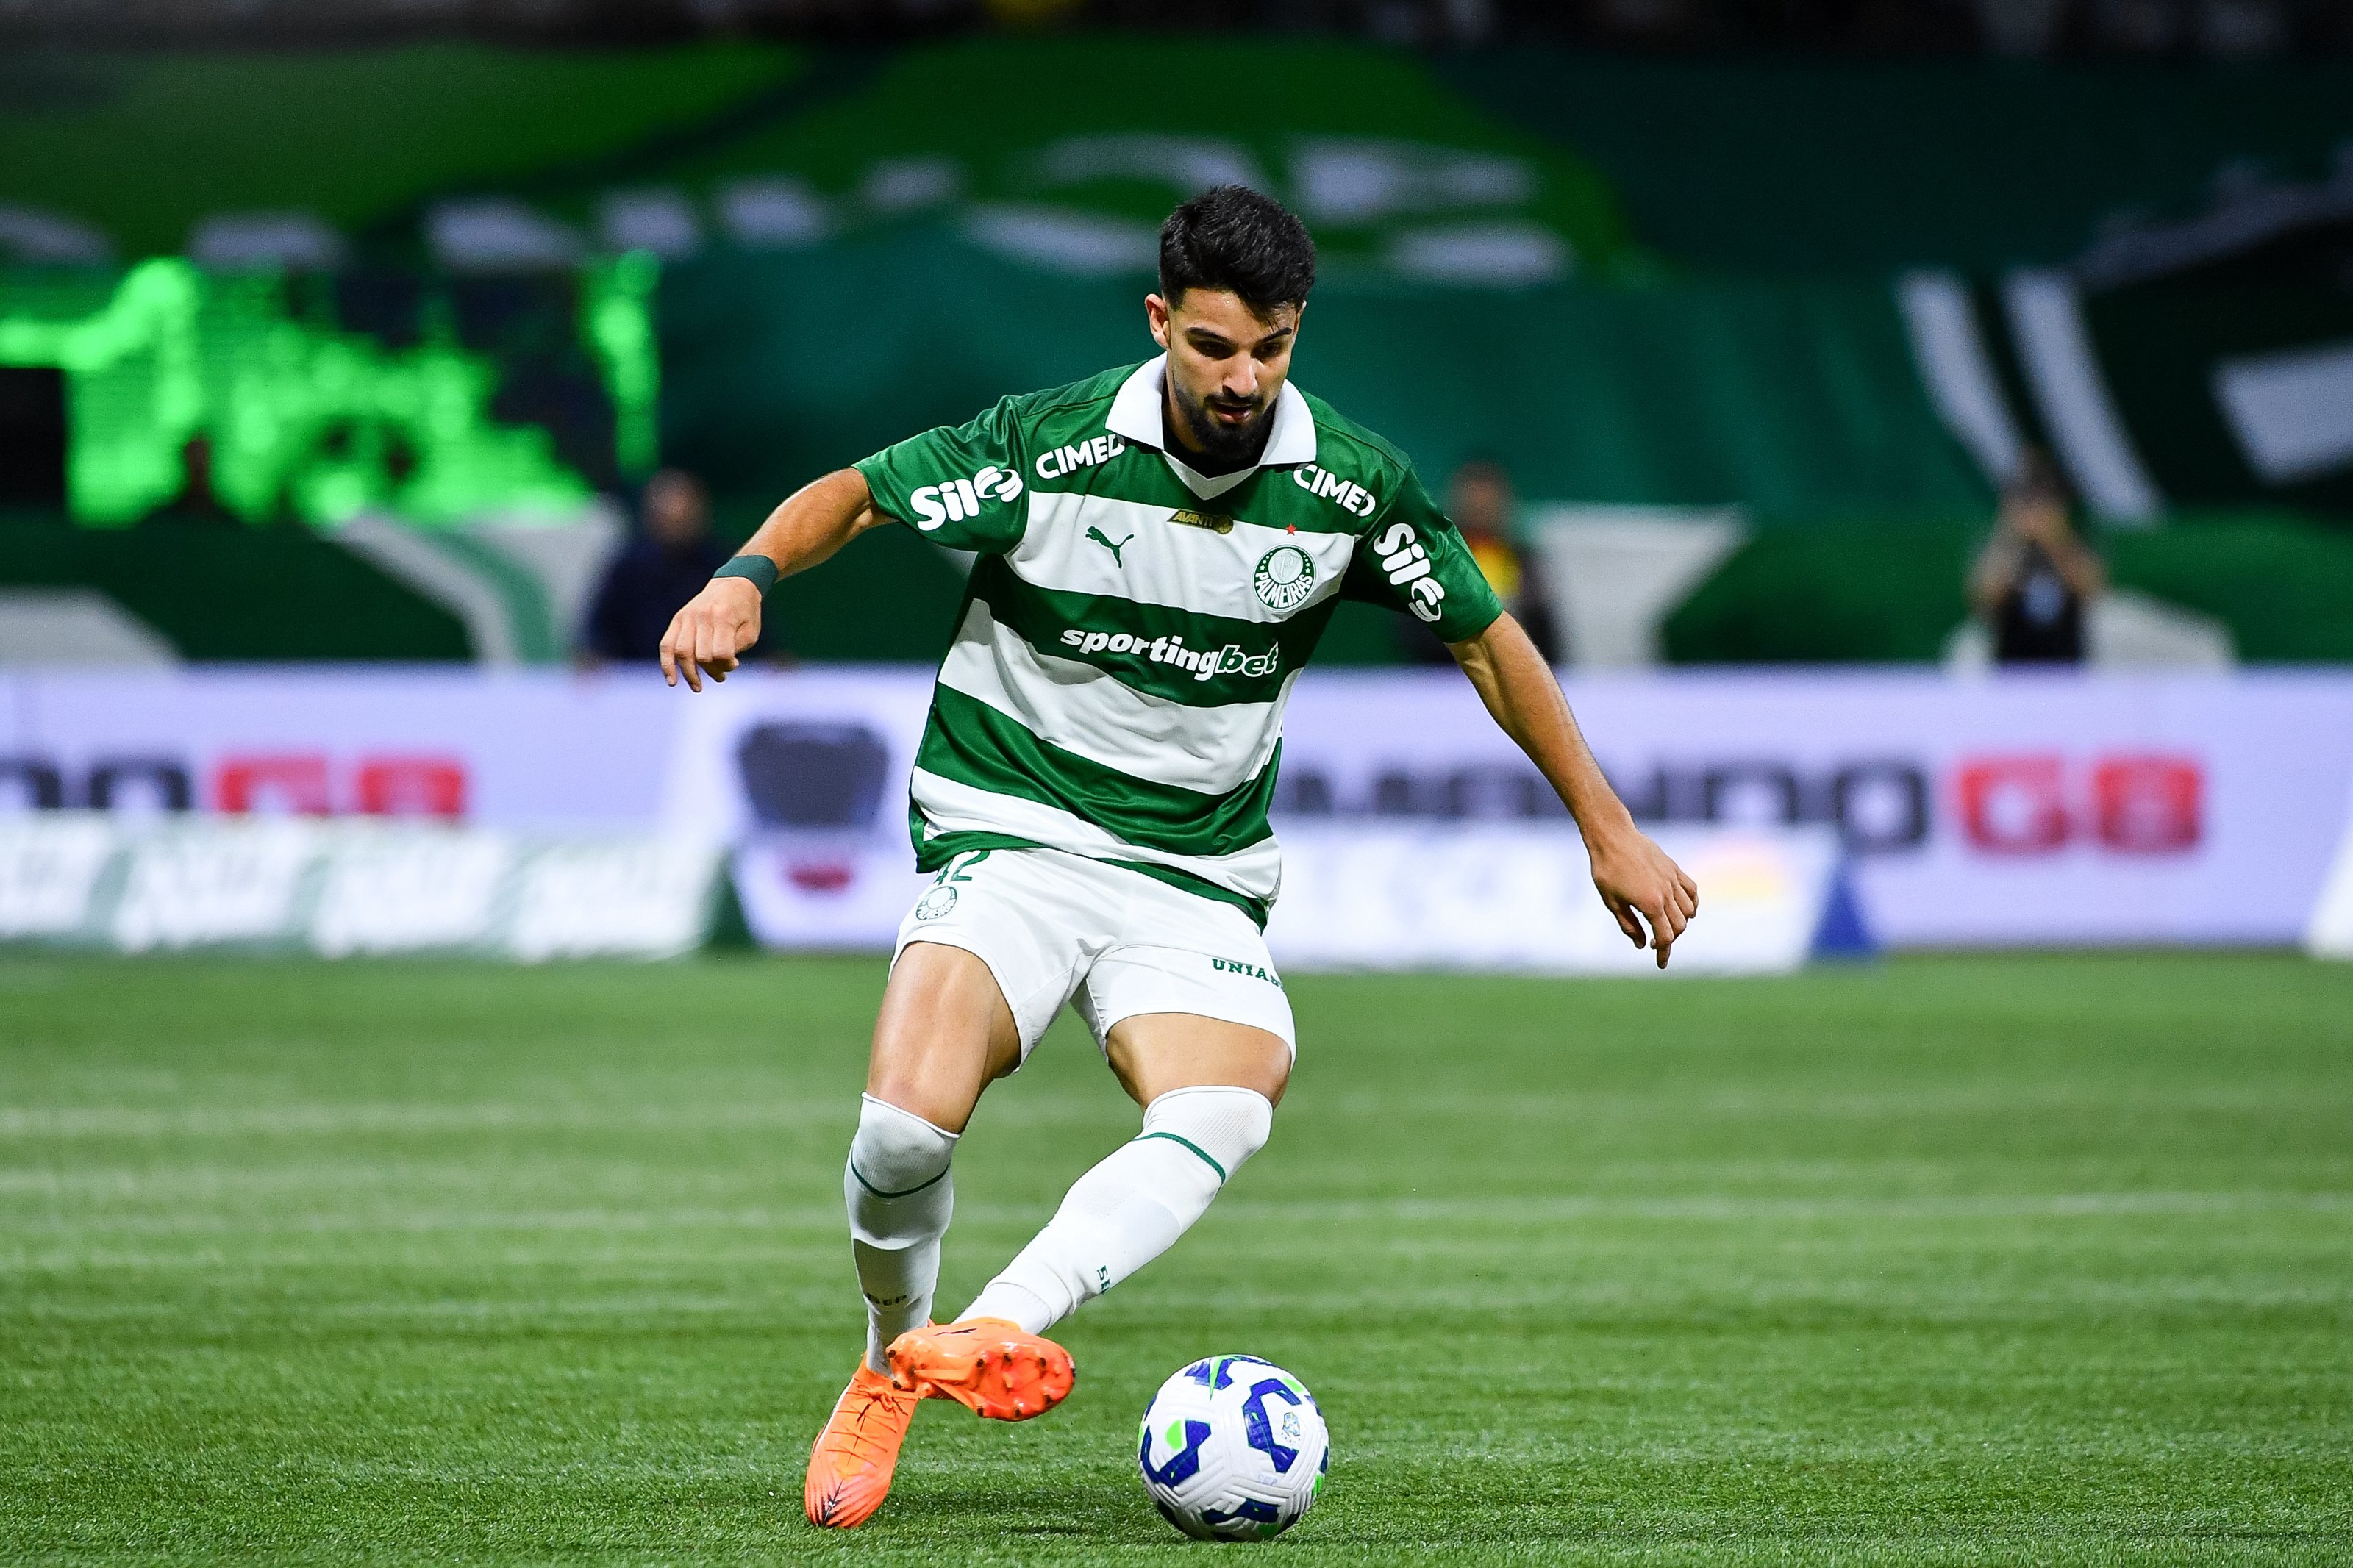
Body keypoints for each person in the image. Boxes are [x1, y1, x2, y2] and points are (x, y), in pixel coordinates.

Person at [657, 186, 1698, 1531]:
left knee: (1230, 1099)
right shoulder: (1051, 444)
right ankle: (885, 1364)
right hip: (1016, 827)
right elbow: (856, 498)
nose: (1242, 378)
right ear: (1160, 321)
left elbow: (1487, 641)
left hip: (1192, 867)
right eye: (1213, 345)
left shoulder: (1350, 484)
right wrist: (742, 574)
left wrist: (1607, 826)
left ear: (1296, 331)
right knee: (902, 1134)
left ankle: (990, 1325)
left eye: (1271, 347)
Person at [1401, 457, 1557, 664]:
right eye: (1474, 495)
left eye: (1489, 496)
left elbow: (1543, 631)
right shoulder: (1431, 558)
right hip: (1443, 674)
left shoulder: (1524, 561)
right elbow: (1413, 632)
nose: (1481, 505)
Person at [1968, 453, 2104, 665]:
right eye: (2027, 503)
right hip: (2013, 665)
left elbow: (2091, 591)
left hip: (2066, 664)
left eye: (2044, 502)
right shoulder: (2003, 545)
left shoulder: (2075, 543)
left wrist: (2055, 540)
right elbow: (1984, 598)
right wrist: (2012, 537)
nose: (2036, 512)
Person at [582, 469, 730, 663]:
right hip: (636, 673)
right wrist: (593, 653)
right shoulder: (629, 565)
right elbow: (601, 625)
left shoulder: (718, 564)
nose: (676, 525)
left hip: (707, 671)